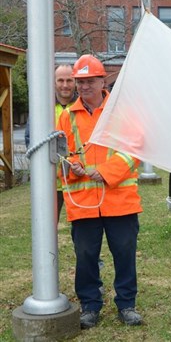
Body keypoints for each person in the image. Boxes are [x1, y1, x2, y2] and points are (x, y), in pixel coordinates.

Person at [56, 54, 143, 329]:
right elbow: (60, 155)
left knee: (125, 254)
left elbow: (134, 149)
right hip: (83, 203)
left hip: (120, 200)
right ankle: (90, 306)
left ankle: (126, 305)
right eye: (80, 82)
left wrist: (106, 172)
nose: (83, 87)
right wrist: (74, 166)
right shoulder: (67, 118)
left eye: (89, 81)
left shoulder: (121, 112)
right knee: (85, 256)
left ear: (102, 80)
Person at [25, 64, 77, 222]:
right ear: (53, 82)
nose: (65, 85)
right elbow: (30, 140)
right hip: (50, 183)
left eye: (70, 80)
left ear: (75, 82)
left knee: (82, 232)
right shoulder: (42, 107)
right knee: (47, 228)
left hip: (77, 181)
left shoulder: (82, 106)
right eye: (60, 80)